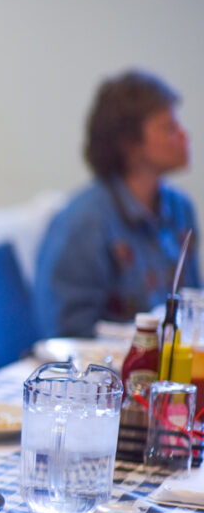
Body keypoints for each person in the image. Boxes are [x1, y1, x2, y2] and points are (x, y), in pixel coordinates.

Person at [35, 69, 200, 338]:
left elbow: (191, 307)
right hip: (107, 371)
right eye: (169, 128)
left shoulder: (181, 208)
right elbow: (68, 332)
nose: (184, 135)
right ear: (131, 145)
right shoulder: (85, 221)